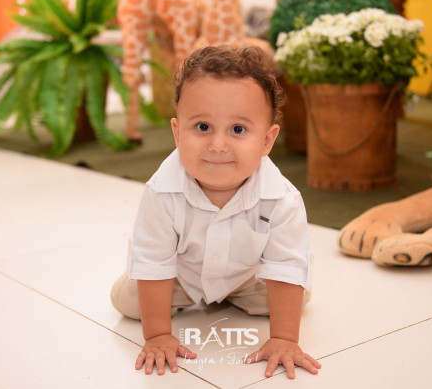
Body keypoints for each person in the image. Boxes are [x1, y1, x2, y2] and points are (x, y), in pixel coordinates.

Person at [110, 45, 320, 379]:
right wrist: (158, 335)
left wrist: (284, 339)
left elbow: (285, 264)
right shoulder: (161, 192)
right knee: (128, 302)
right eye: (203, 127)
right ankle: (158, 296)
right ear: (178, 133)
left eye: (238, 130)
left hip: (247, 275)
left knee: (296, 294)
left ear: (267, 141)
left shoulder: (282, 198)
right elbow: (155, 261)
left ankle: (234, 296)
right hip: (180, 277)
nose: (218, 145)